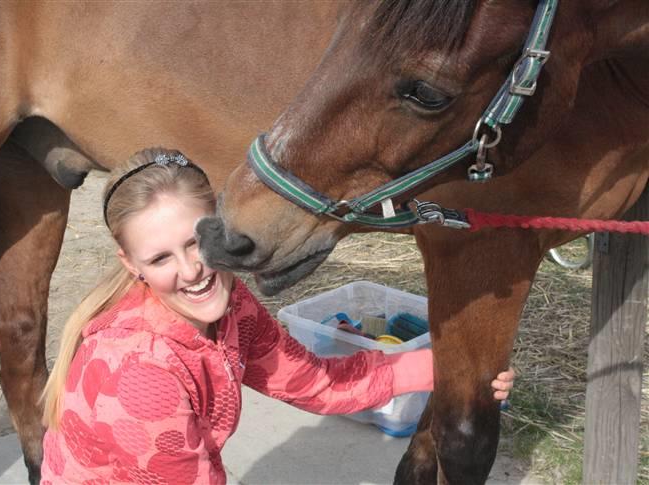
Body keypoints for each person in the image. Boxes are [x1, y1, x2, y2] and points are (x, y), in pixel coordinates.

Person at [40, 147, 514, 484]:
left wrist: (452, 369)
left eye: (196, 242)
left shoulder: (233, 306)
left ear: (223, 227)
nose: (191, 271)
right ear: (132, 266)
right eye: (160, 259)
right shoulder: (140, 373)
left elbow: (318, 383)